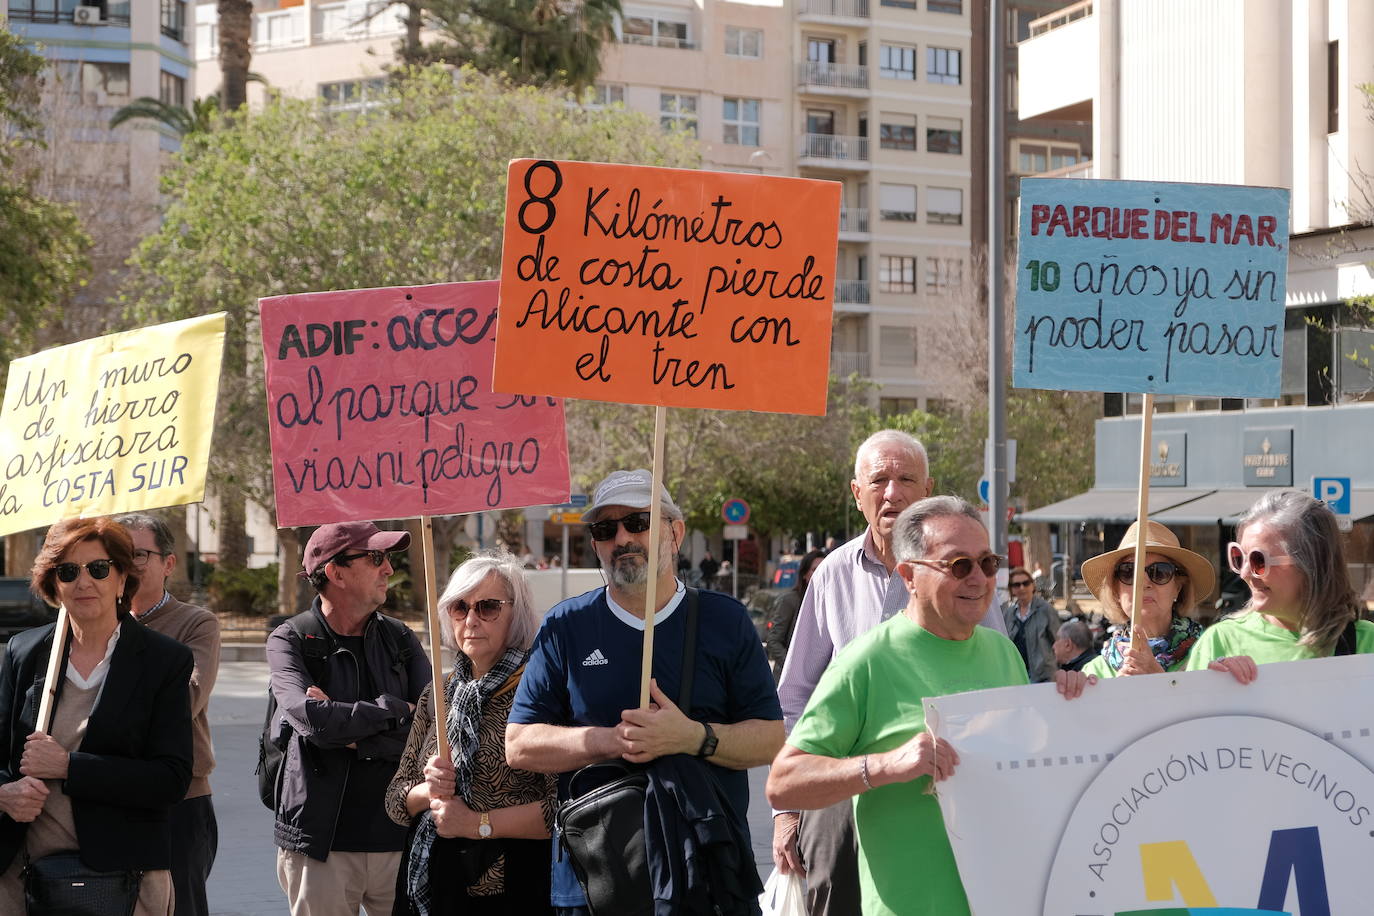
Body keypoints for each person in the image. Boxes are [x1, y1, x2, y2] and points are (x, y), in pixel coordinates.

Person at [766, 497, 1091, 916]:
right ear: (909, 576)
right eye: (959, 565)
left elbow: (1030, 767)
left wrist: (1072, 705)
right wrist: (885, 765)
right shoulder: (866, 662)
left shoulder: (1003, 652)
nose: (978, 579)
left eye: (987, 563)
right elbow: (784, 782)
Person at [506, 469, 783, 915]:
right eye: (606, 529)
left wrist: (692, 737)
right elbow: (519, 744)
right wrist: (613, 740)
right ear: (595, 544)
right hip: (596, 882)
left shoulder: (725, 620)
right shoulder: (565, 625)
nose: (622, 538)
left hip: (708, 876)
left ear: (675, 534)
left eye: (638, 522)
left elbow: (771, 739)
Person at [772, 430, 1006, 916]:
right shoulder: (833, 575)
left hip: (944, 801)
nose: (892, 493)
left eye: (907, 479)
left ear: (929, 490)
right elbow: (794, 696)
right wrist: (787, 814)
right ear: (857, 493)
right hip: (840, 789)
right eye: (878, 480)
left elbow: (1000, 686)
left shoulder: (971, 582)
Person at [0, 518, 194, 914]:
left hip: (126, 878)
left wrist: (70, 766)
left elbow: (170, 779)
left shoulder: (163, 660)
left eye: (99, 568)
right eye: (68, 571)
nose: (83, 582)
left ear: (122, 579)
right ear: (54, 585)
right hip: (24, 880)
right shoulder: (24, 652)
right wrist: (5, 794)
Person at [268, 521, 431, 916]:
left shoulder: (401, 638)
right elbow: (313, 721)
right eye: (375, 557)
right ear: (335, 572)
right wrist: (397, 710)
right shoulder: (290, 639)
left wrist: (355, 733)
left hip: (400, 836)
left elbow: (434, 727)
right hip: (320, 845)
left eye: (387, 557)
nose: (388, 568)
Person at [386, 550, 555, 915]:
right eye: (459, 608)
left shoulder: (540, 692)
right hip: (435, 879)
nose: (471, 620)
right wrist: (428, 789)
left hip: (517, 884)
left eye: (488, 607)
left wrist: (477, 824)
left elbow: (561, 809)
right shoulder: (438, 692)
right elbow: (395, 801)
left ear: (517, 614)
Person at [116, 512, 221, 916]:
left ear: (169, 563)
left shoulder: (196, 624)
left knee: (181, 907)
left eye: (139, 554)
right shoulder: (92, 625)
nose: (127, 564)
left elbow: (186, 700)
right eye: (117, 555)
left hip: (179, 798)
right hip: (106, 790)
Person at [1187, 490, 1374, 681]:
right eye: (1239, 557)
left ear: (1312, 564)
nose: (1244, 574)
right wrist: (1215, 686)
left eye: (1258, 560)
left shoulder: (1366, 642)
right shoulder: (1220, 641)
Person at [1079, 521, 1215, 678]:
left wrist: (1158, 682)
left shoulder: (1210, 654)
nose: (1143, 583)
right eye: (1129, 572)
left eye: (1160, 572)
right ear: (1116, 590)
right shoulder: (1093, 674)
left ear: (1178, 588)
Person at [766, 549, 827, 679]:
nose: (820, 573)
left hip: (820, 680)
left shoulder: (832, 602)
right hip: (790, 678)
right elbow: (773, 641)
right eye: (814, 569)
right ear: (804, 575)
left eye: (824, 569)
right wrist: (793, 667)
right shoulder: (790, 601)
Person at [1001, 565, 1059, 682]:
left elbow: (1058, 642)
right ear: (1012, 589)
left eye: (1026, 583)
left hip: (1043, 677)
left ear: (1032, 585)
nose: (1022, 588)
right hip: (1016, 675)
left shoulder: (1046, 610)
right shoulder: (1008, 613)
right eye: (1016, 585)